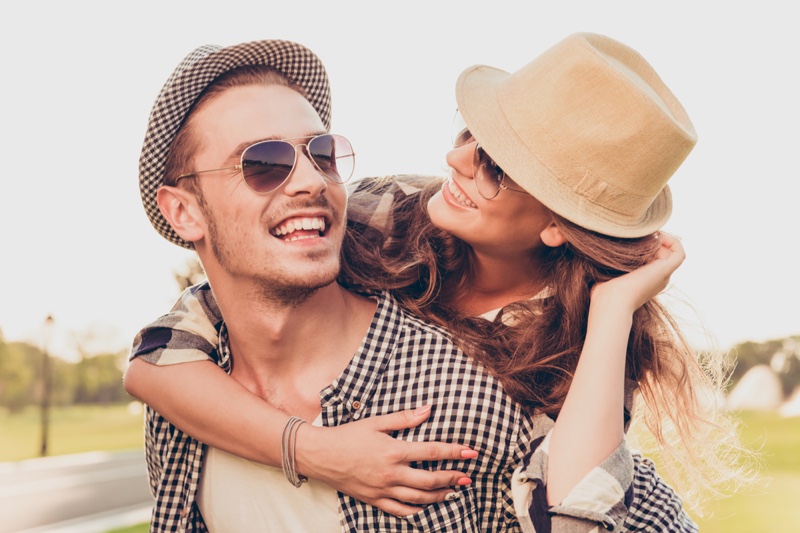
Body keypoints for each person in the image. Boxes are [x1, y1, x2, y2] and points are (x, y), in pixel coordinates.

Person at [128, 33, 745, 531]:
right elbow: (157, 356)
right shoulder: (391, 215)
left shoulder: (567, 354)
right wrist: (314, 450)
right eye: (468, 137)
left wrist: (614, 311)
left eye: (495, 168)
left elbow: (578, 508)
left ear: (558, 224)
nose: (456, 161)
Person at [133, 38, 552, 533]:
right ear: (184, 211)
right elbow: (150, 358)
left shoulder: (474, 397)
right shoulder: (180, 406)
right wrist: (307, 447)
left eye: (323, 153)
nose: (311, 180)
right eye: (262, 163)